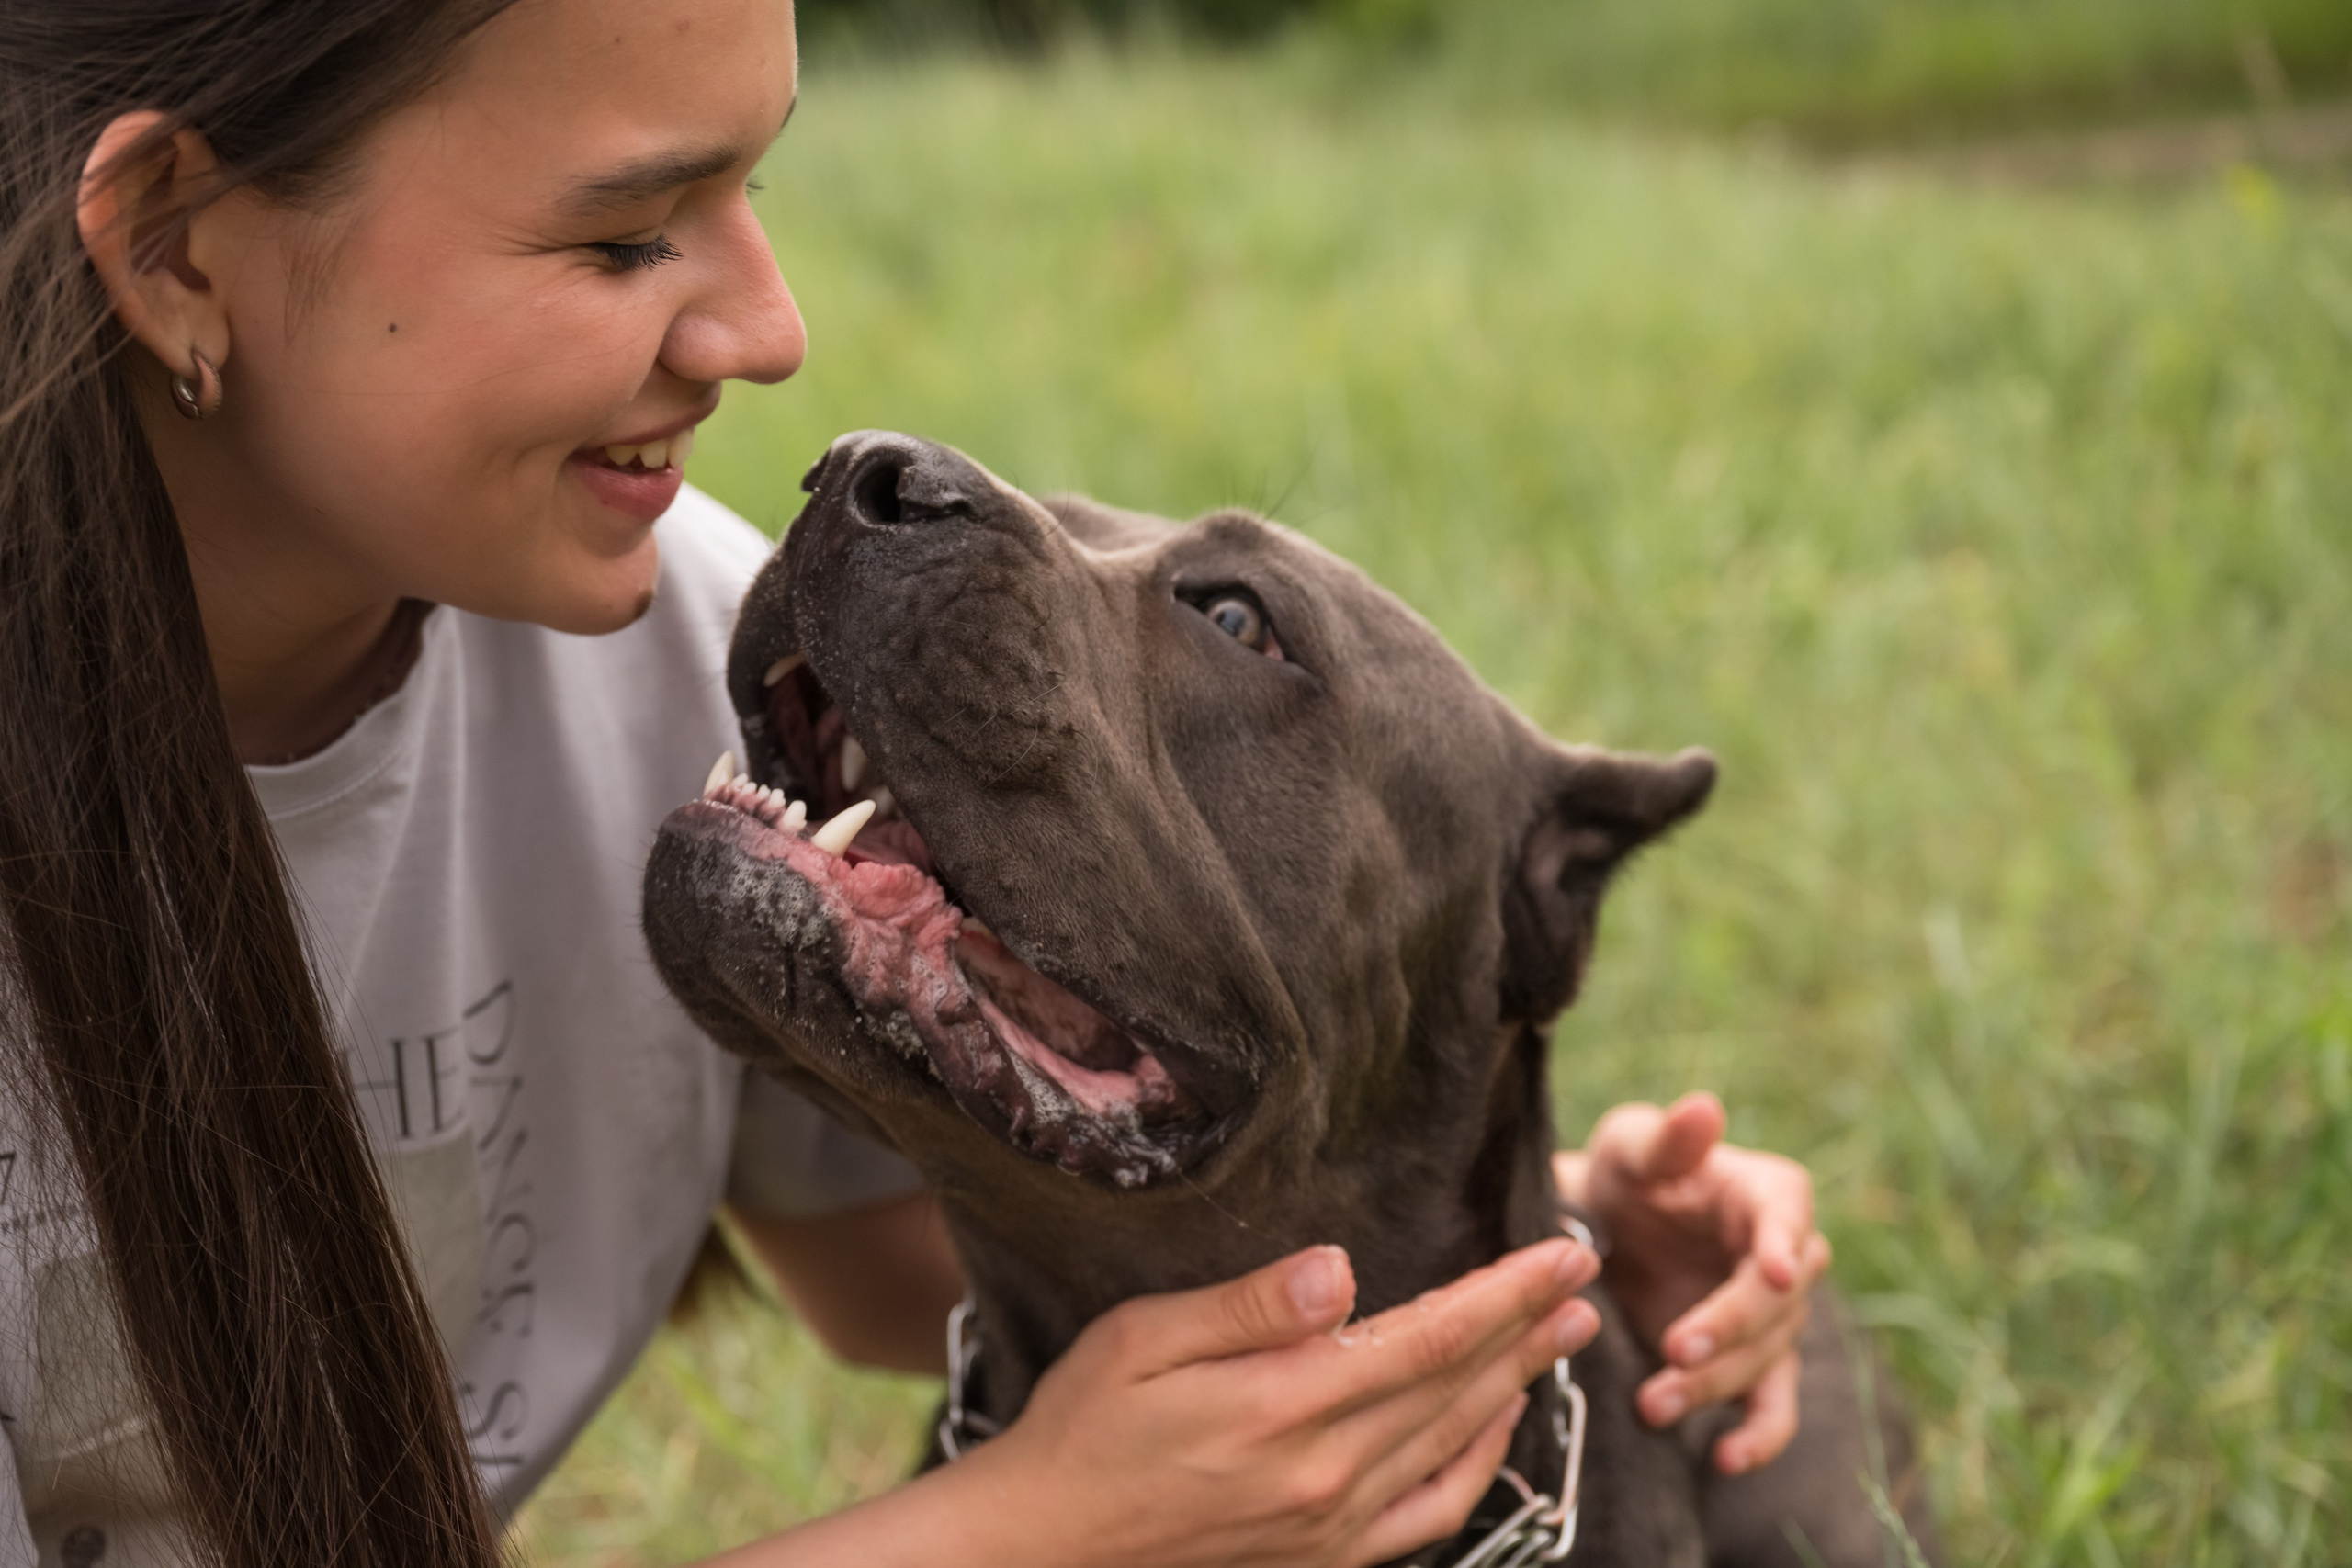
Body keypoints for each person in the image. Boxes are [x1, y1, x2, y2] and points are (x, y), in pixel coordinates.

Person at [0, 1, 1831, 1564]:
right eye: (626, 233)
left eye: (751, 188)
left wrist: (1514, 1238)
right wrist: (1008, 1528)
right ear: (172, 245)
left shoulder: (658, 647)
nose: (771, 329)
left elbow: (900, 1257)